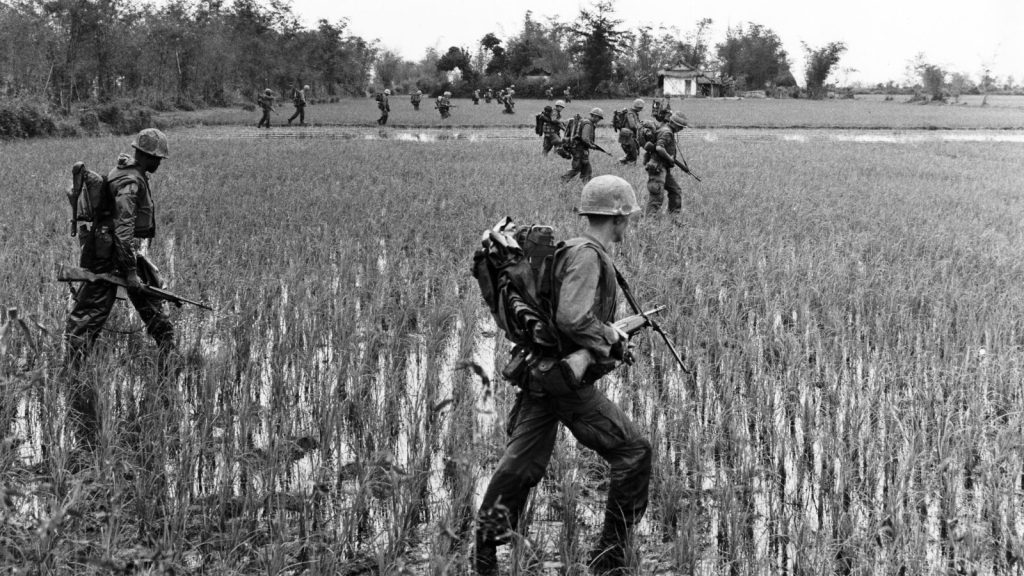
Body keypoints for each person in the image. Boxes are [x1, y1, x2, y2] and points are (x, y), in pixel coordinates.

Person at [474, 175, 650, 576]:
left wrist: (607, 337)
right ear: (619, 219)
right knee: (634, 452)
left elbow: (562, 319)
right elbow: (572, 318)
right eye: (629, 217)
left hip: (542, 373)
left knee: (518, 466)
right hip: (563, 379)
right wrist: (612, 339)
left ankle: (483, 554)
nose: (630, 224)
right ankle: (610, 558)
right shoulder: (588, 256)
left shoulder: (573, 249)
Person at [64, 128, 176, 452]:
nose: (159, 163)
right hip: (109, 256)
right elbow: (124, 229)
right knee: (87, 317)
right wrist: (128, 271)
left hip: (116, 252)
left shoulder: (131, 172)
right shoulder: (130, 181)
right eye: (157, 158)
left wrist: (132, 269)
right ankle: (73, 374)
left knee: (151, 303)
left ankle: (170, 356)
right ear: (147, 156)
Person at [644, 111, 688, 215]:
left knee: (675, 190)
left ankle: (673, 217)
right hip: (657, 167)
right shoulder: (667, 132)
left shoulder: (667, 130)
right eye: (680, 126)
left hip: (663, 167)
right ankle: (650, 222)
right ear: (673, 123)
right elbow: (659, 148)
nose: (681, 129)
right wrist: (670, 158)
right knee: (657, 194)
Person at [561, 107, 604, 184]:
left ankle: (587, 184)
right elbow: (585, 138)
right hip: (579, 149)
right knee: (576, 168)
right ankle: (564, 180)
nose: (599, 120)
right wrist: (591, 145)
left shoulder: (584, 121)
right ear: (594, 116)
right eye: (599, 118)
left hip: (579, 149)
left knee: (587, 169)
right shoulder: (588, 124)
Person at [617, 99, 644, 165]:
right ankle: (623, 163)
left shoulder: (633, 113)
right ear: (638, 107)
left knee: (632, 153)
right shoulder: (630, 113)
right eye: (641, 108)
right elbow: (632, 125)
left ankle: (623, 162)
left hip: (629, 135)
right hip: (628, 136)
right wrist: (640, 126)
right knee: (633, 154)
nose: (641, 109)